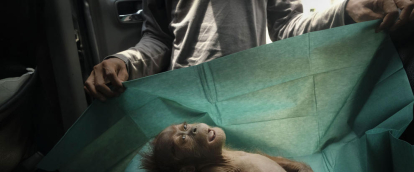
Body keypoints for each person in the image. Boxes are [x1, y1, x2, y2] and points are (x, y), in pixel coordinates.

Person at [84, 0, 414, 102]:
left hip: (249, 98)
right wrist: (124, 61)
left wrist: (345, 11)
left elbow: (287, 26)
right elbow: (158, 40)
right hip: (182, 98)